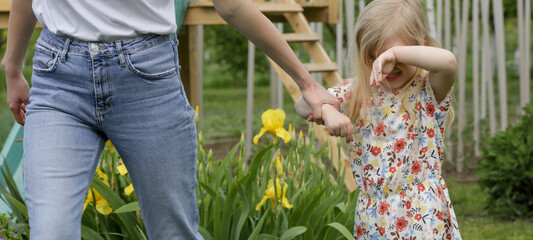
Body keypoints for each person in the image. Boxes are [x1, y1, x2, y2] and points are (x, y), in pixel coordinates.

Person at [2, 0, 338, 239]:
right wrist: (12, 66)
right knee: (51, 231)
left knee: (173, 233)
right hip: (59, 76)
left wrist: (306, 82)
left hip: (146, 78)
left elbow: (231, 5)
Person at [295, 0, 461, 239]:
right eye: (374, 56)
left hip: (423, 217)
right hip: (374, 218)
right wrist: (329, 111)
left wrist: (395, 53)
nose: (386, 66)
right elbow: (302, 104)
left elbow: (448, 62)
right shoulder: (358, 91)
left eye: (393, 56)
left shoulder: (427, 89)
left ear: (419, 45)